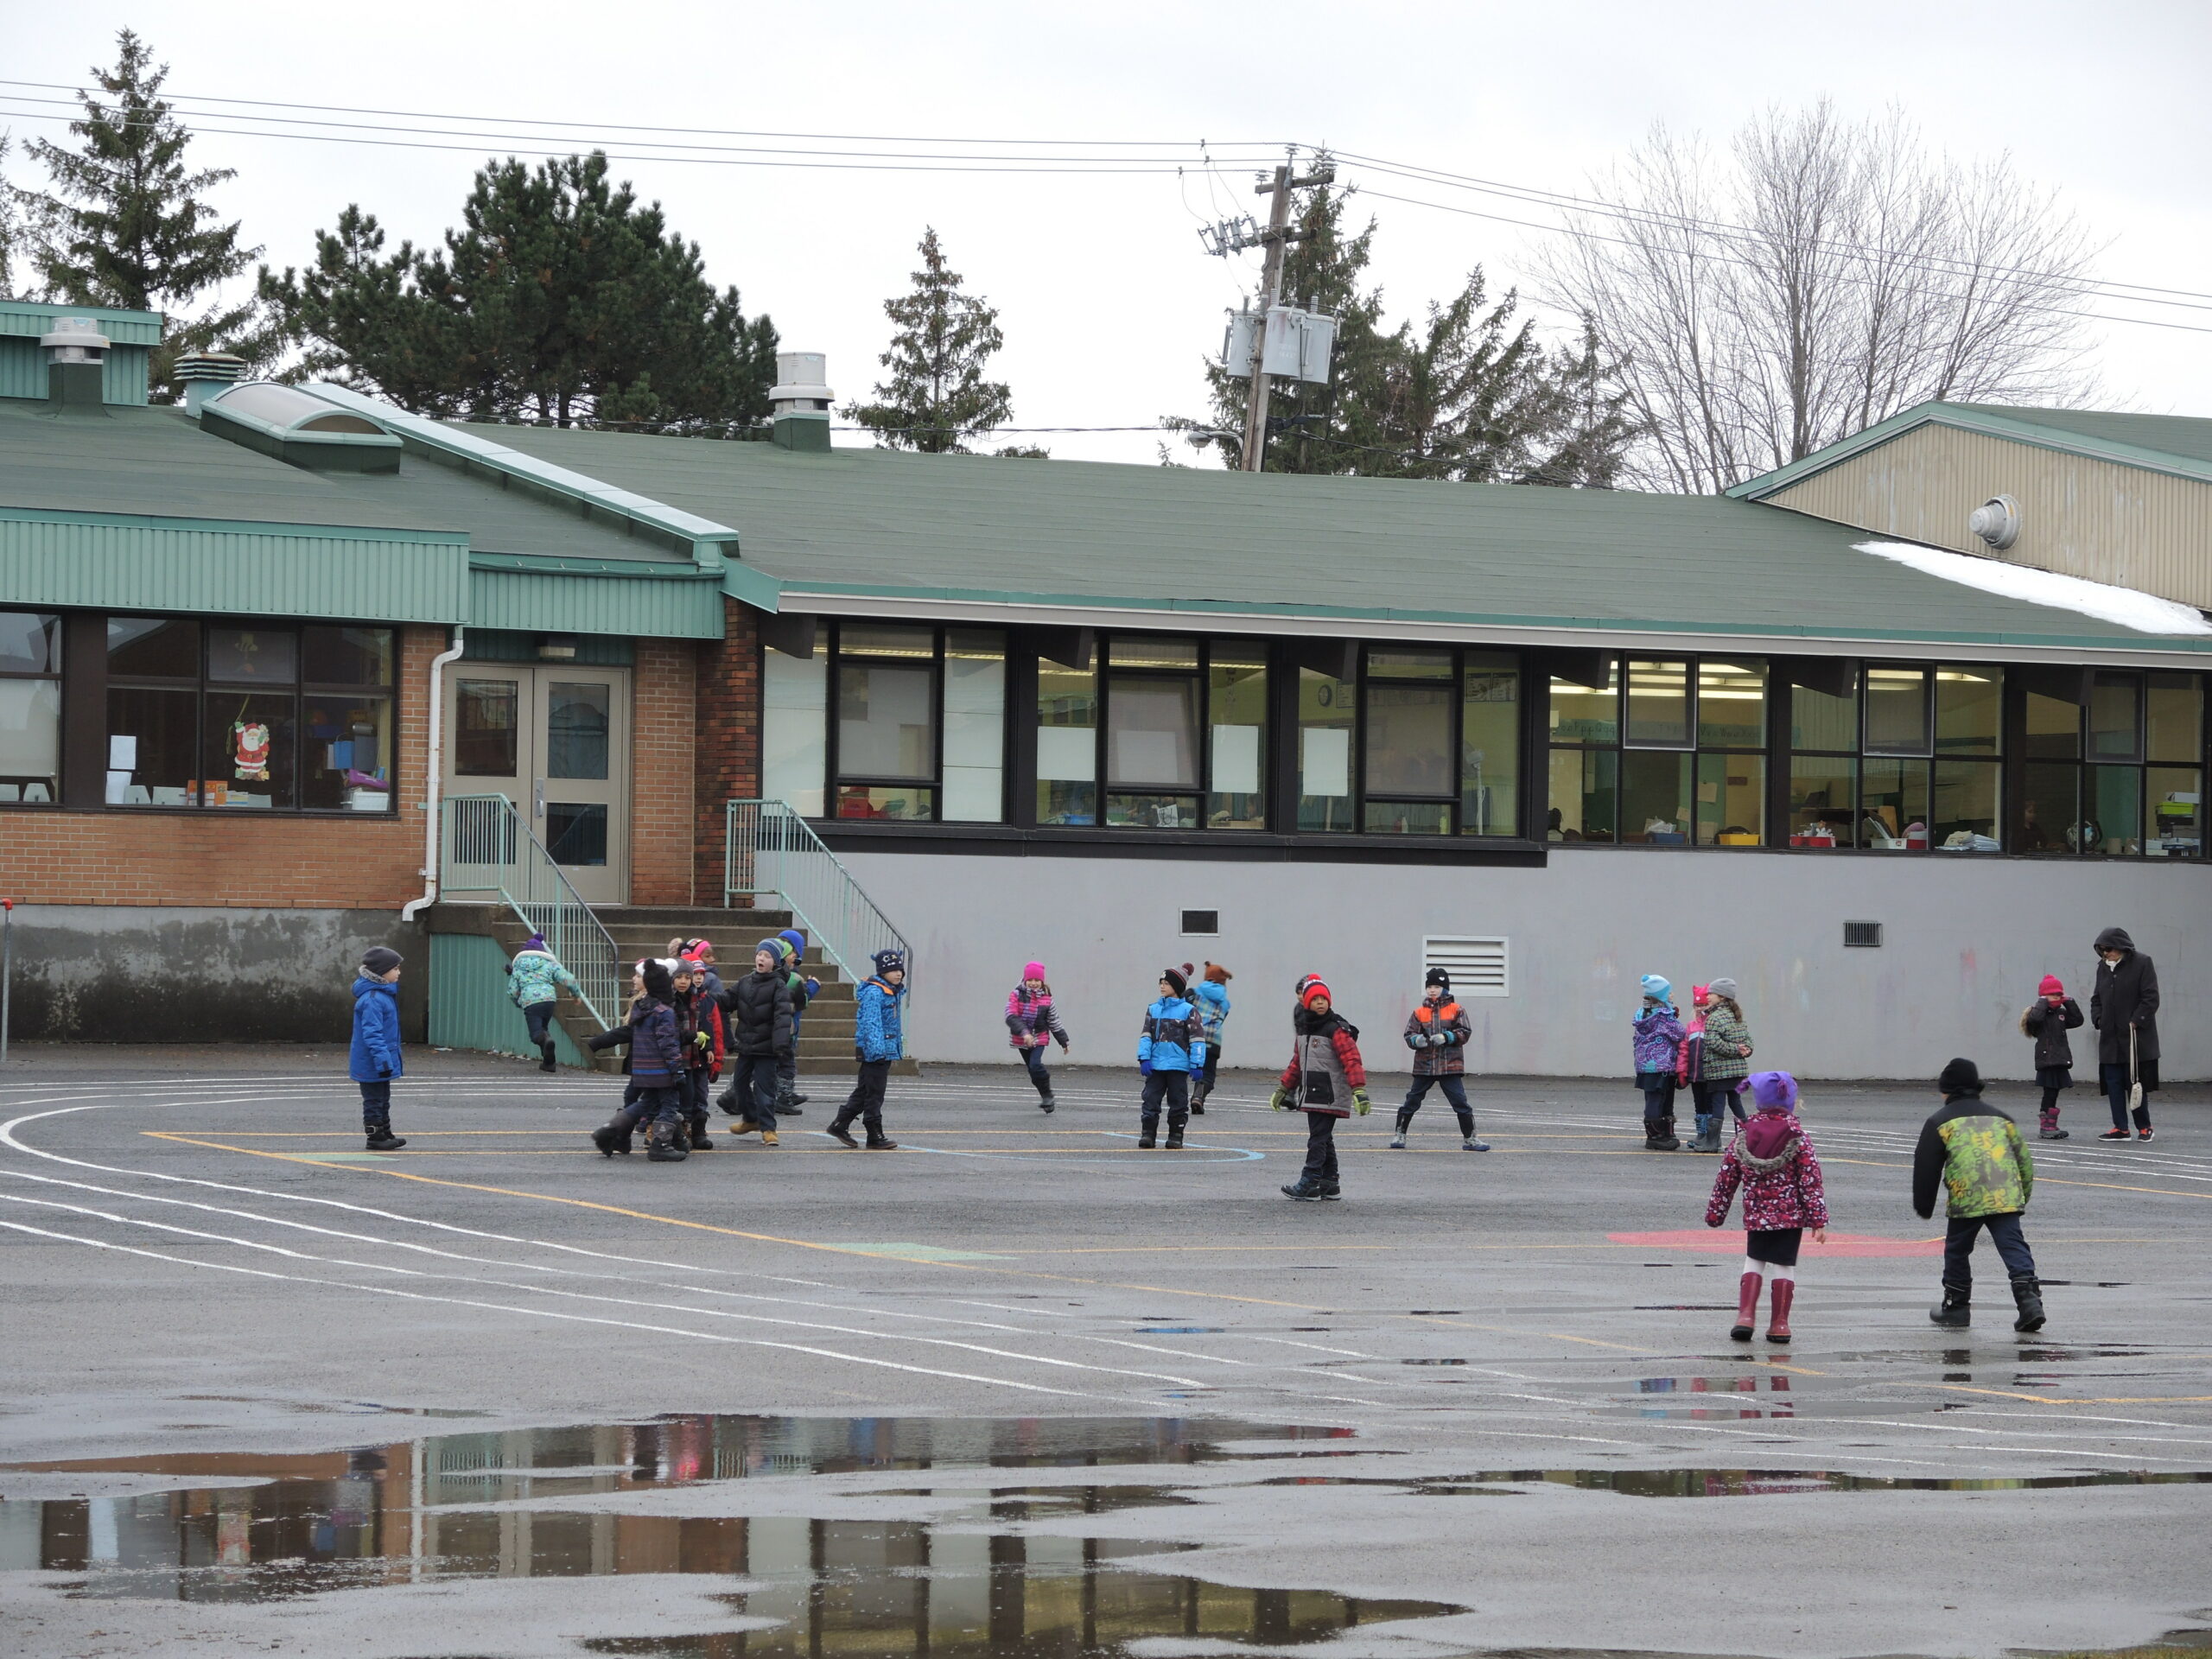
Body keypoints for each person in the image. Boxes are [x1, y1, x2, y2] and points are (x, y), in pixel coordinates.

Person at [1913, 1058, 2044, 1332]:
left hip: (1967, 1196)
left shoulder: (1939, 1121)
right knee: (2013, 1246)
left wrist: (1924, 1206)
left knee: (1957, 1250)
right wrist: (2022, 1196)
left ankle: (1956, 1306)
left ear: (1947, 1090)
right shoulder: (2002, 1119)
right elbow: (2024, 1161)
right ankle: (2030, 1303)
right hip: (2005, 1196)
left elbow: (1926, 1165)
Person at [1704, 1071, 1827, 1344]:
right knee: (1784, 1265)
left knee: (1754, 1260)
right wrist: (1818, 1220)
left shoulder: (1744, 1136)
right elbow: (1810, 1180)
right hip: (1790, 1217)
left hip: (1757, 1216)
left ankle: (1745, 1317)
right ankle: (1780, 1324)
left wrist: (1716, 1213)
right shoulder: (1799, 1137)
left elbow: (1726, 1178)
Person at [1273, 975, 1369, 1200]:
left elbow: (1351, 1058)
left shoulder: (1335, 1029)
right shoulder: (1305, 1030)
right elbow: (1297, 1063)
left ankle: (1310, 1181)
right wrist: (1284, 1088)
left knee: (1317, 1138)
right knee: (1324, 1137)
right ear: (1306, 1002)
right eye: (1315, 999)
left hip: (1328, 1092)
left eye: (1323, 999)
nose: (1320, 1002)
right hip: (1313, 1092)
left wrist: (1359, 1089)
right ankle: (1329, 1182)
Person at [1394, 967, 1487, 1151]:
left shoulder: (1456, 1010)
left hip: (1449, 1066)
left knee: (1460, 1102)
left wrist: (1448, 1037)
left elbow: (1465, 1032)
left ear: (1445, 988)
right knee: (1412, 1100)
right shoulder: (1419, 1012)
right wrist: (1416, 1040)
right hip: (1425, 1066)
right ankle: (1399, 1134)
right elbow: (1409, 1034)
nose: (1432, 990)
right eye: (1430, 987)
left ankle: (1471, 1139)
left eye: (1437, 986)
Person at [721, 941, 795, 1147]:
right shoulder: (745, 981)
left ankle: (769, 1129)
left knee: (765, 1090)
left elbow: (782, 1016)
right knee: (740, 1086)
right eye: (759, 955)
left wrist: (780, 1044)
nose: (762, 959)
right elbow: (727, 1000)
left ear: (775, 962)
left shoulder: (778, 985)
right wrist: (709, 998)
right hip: (746, 1045)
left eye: (767, 956)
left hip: (767, 1049)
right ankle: (750, 1119)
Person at [831, 950, 906, 1149]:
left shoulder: (892, 991)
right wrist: (877, 1049)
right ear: (882, 972)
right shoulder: (875, 992)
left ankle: (840, 1124)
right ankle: (874, 1134)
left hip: (883, 1049)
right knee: (875, 1093)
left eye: (900, 969)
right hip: (876, 1051)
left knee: (865, 1091)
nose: (898, 973)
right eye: (893, 970)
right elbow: (871, 1023)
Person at [2090, 925, 2159, 1141]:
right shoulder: (2102, 967)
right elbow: (2096, 999)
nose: (2106, 954)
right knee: (2113, 1083)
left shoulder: (2142, 962)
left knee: (2135, 1083)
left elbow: (2151, 998)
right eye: (2102, 950)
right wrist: (2099, 1019)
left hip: (2135, 1038)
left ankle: (2144, 1127)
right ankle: (2120, 1128)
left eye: (2108, 949)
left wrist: (2135, 1021)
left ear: (2121, 946)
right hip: (2110, 1039)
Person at [1135, 967, 1207, 1149]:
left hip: (1178, 1066)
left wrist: (1197, 1064)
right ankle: (1148, 1134)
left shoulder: (1189, 1011)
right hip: (1156, 1065)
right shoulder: (1153, 1009)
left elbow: (1197, 1039)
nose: (1162, 986)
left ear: (1176, 986)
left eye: (1166, 983)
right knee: (1150, 1099)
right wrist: (1144, 1058)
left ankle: (1176, 1135)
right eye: (1161, 983)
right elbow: (1146, 1036)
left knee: (1178, 1102)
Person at [627, 958, 690, 1163]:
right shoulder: (664, 1012)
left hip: (642, 1069)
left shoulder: (639, 1008)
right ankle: (660, 1144)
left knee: (647, 1103)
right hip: (661, 1070)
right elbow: (668, 1044)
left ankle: (612, 1131)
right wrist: (677, 1070)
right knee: (670, 1104)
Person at [350, 945, 407, 1153]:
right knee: (374, 1100)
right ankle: (375, 1136)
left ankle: (385, 1132)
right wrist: (383, 1061)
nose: (399, 973)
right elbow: (373, 1034)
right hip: (373, 1061)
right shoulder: (373, 999)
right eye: (395, 969)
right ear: (382, 972)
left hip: (380, 1060)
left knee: (383, 1098)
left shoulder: (383, 995)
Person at [2021, 974, 2084, 1141]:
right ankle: (2046, 1126)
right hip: (2047, 1060)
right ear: (2043, 996)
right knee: (2049, 1092)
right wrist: (2043, 1001)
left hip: (2059, 1059)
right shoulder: (2039, 1013)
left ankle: (2051, 1124)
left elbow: (2077, 1020)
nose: (2057, 997)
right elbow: (2034, 1019)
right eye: (2053, 994)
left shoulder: (2060, 1014)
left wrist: (2069, 1002)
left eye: (2059, 994)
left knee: (2054, 1092)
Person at [505, 933, 580, 1072]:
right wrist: (576, 994)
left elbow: (512, 991)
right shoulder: (549, 964)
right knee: (543, 1029)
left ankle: (547, 1043)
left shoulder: (518, 967)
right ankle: (548, 1063)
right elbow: (568, 979)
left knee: (536, 1035)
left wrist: (518, 1002)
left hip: (531, 1002)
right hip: (549, 1001)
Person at [1005, 961, 1071, 1113]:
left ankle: (1048, 1096)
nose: (1033, 983)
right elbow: (1010, 1016)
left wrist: (1064, 1041)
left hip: (1039, 1037)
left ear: (1042, 981)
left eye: (1037, 980)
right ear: (1025, 980)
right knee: (1033, 1071)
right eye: (1030, 980)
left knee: (1036, 1065)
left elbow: (1053, 1021)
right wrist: (1025, 1033)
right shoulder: (1016, 995)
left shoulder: (1047, 999)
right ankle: (1047, 1099)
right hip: (1021, 1039)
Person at [1631, 975, 1686, 1152]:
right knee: (1663, 1099)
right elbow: (1679, 1034)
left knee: (1652, 1098)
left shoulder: (1642, 1014)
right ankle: (1659, 1135)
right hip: (1663, 1065)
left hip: (1645, 1065)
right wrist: (1674, 1015)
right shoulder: (1664, 1016)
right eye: (1669, 993)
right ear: (1661, 996)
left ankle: (1657, 1134)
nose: (1672, 995)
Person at [671, 958, 718, 1152]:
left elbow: (703, 1027)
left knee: (699, 1094)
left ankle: (697, 1131)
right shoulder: (670, 1001)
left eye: (687, 977)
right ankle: (678, 1132)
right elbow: (673, 1032)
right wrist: (693, 1037)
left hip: (694, 1055)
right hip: (677, 1055)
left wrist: (707, 1048)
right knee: (683, 1097)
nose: (684, 981)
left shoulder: (696, 1000)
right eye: (679, 977)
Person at [1698, 976, 1754, 1140]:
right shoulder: (1736, 1016)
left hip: (1719, 1070)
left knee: (1718, 1105)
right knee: (1736, 1103)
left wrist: (1736, 1049)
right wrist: (1745, 1050)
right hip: (1737, 1071)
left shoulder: (1714, 1017)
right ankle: (1747, 1139)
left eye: (1711, 994)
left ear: (1722, 997)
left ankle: (1712, 1141)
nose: (1707, 997)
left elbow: (1713, 1042)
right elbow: (1748, 1039)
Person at [772, 930, 819, 1116]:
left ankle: (785, 1093)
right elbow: (801, 1002)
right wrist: (813, 987)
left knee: (777, 1065)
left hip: (781, 1028)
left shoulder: (786, 975)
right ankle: (783, 1096)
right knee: (785, 1065)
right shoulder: (792, 977)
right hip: (786, 1030)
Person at [1190, 963, 1233, 1114]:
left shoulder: (1193, 993)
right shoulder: (1225, 1003)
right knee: (1208, 1074)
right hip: (1213, 1041)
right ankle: (1198, 1097)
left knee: (1185, 1069)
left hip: (1193, 1038)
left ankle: (1177, 1097)